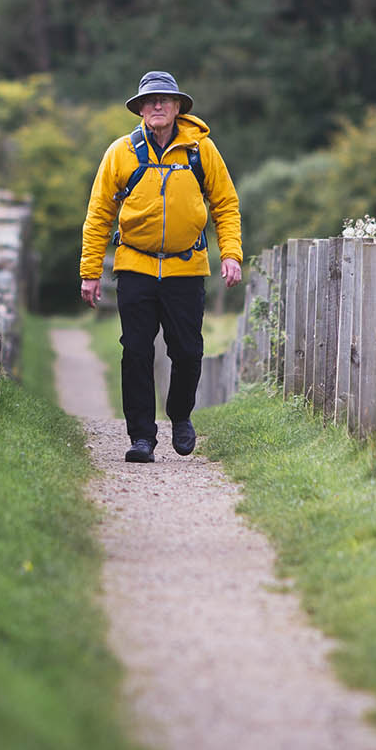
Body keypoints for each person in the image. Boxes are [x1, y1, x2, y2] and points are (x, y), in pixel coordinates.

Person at [80, 71, 243, 462]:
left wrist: (232, 254)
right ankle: (141, 437)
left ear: (177, 107)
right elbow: (99, 212)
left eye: (164, 100)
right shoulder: (120, 151)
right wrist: (89, 271)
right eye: (149, 100)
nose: (156, 106)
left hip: (186, 269)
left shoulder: (202, 151)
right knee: (135, 350)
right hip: (134, 266)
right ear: (139, 108)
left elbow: (226, 203)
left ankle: (181, 416)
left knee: (187, 351)